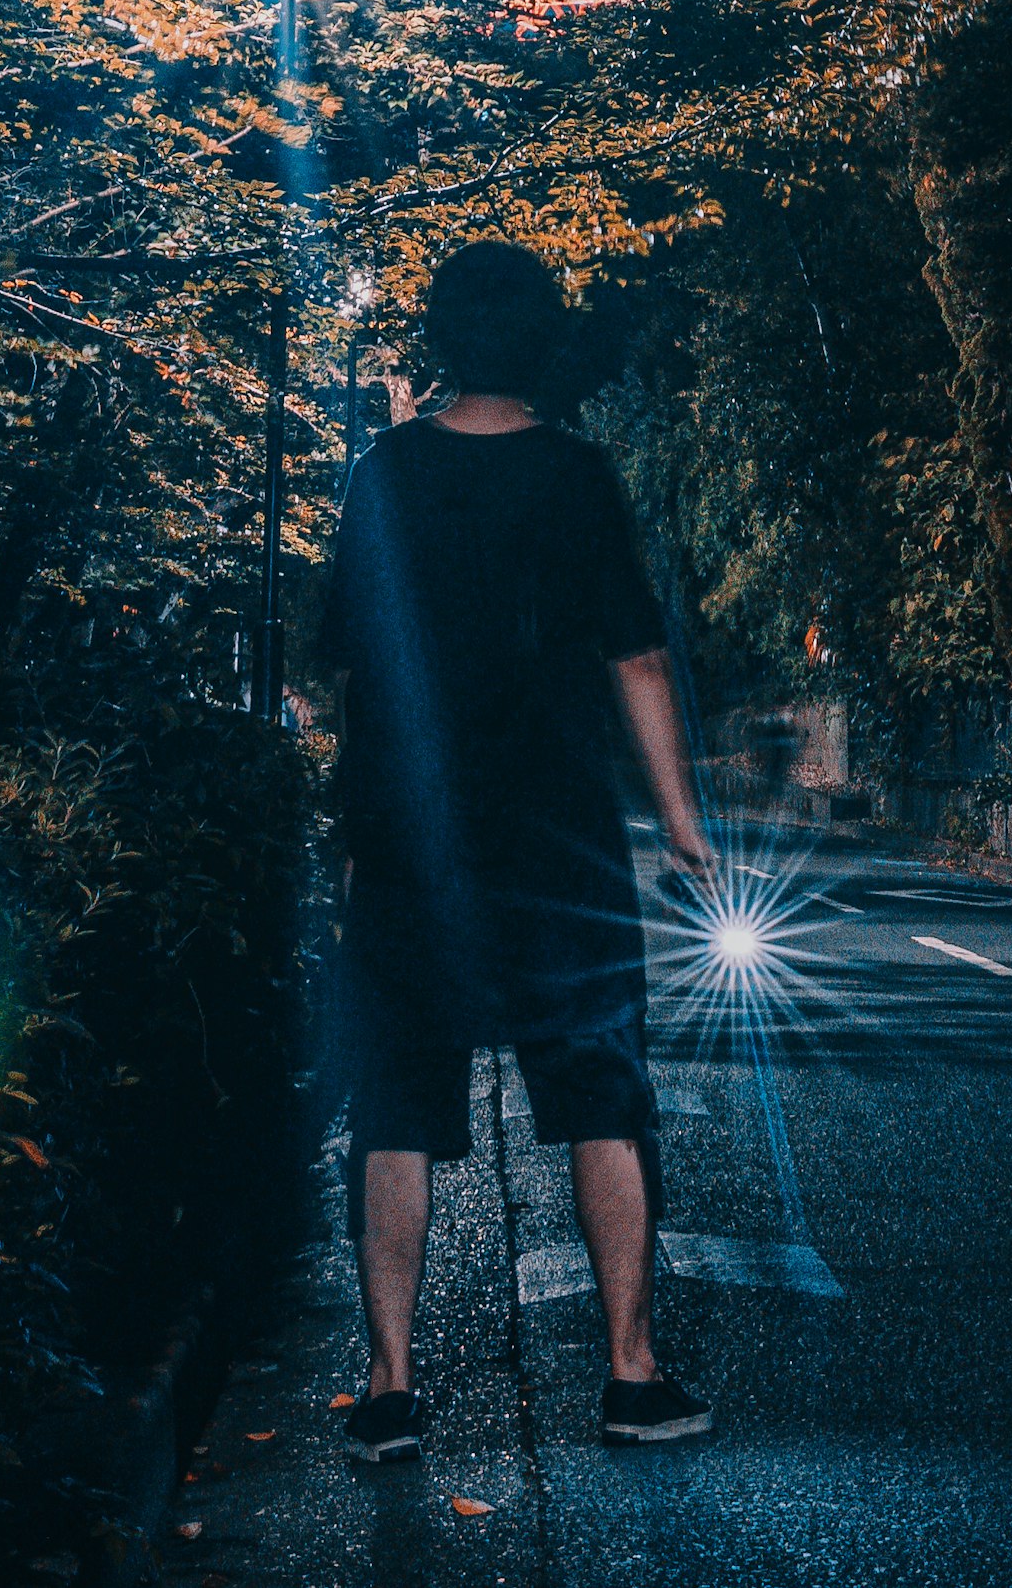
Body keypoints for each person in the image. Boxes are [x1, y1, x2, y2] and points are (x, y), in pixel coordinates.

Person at [308, 238, 715, 1457]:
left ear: (440, 338)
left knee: (395, 1102)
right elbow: (635, 658)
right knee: (602, 1089)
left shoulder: (381, 474)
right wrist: (682, 829)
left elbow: (341, 663)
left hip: (408, 833)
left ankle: (388, 1391)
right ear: (541, 340)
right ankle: (632, 1376)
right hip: (560, 839)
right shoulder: (578, 478)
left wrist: (358, 797)